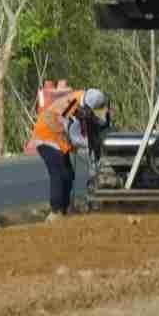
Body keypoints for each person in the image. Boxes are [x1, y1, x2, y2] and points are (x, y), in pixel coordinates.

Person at [31, 87, 107, 220]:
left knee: (68, 174)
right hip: (47, 135)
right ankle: (55, 211)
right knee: (59, 173)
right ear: (88, 107)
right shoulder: (72, 103)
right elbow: (69, 128)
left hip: (59, 138)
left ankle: (64, 209)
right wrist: (88, 144)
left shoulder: (83, 100)